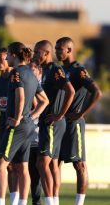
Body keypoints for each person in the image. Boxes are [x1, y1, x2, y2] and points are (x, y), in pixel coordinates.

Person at [0, 42, 49, 205]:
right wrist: (31, 118)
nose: (7, 58)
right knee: (22, 167)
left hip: (16, 126)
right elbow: (45, 101)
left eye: (8, 55)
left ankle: (0, 203)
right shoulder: (32, 74)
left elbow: (21, 96)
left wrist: (18, 118)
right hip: (29, 127)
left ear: (13, 55)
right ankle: (22, 203)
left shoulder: (16, 72)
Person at [55, 37, 102, 205]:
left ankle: (79, 203)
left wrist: (81, 113)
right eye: (55, 48)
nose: (56, 51)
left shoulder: (78, 70)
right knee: (55, 163)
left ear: (69, 49)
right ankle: (53, 201)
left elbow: (97, 92)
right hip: (59, 122)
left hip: (74, 123)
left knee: (79, 164)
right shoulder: (60, 70)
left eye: (60, 48)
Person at [33, 40, 75, 205]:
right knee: (51, 165)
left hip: (53, 123)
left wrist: (59, 114)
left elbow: (70, 91)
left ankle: (50, 202)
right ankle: (54, 200)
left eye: (37, 52)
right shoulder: (42, 71)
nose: (35, 55)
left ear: (46, 53)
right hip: (46, 122)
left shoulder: (54, 69)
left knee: (42, 163)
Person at [0, 48, 20, 205]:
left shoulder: (16, 76)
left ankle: (16, 201)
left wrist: (20, 118)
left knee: (17, 165)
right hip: (3, 123)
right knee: (8, 166)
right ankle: (13, 200)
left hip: (16, 125)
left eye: (1, 59)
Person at [28, 61, 43, 205]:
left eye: (32, 70)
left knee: (41, 172)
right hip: (28, 136)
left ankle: (50, 200)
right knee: (30, 172)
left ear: (39, 72)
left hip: (41, 136)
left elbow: (43, 103)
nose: (30, 73)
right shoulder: (27, 86)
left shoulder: (42, 88)